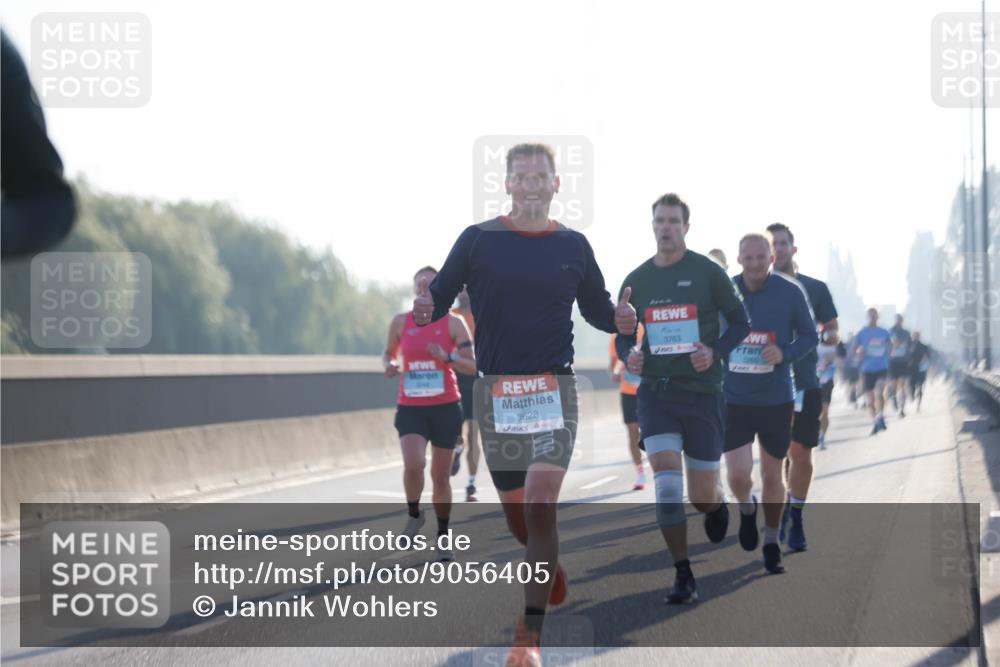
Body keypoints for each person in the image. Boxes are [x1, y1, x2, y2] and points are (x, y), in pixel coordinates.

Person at [412, 143, 636, 667]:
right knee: (520, 520)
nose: (532, 183)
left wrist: (623, 318)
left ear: (557, 185)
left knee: (540, 504)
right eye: (522, 176)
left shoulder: (574, 245)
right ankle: (547, 563)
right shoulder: (477, 240)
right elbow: (439, 298)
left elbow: (599, 309)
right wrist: (426, 310)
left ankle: (527, 638)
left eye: (542, 176)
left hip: (555, 389)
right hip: (497, 395)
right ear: (507, 184)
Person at [616, 193, 750, 604]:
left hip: (703, 394)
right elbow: (622, 337)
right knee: (668, 487)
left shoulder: (709, 273)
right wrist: (630, 354)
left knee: (700, 496)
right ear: (652, 226)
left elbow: (741, 324)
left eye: (673, 221)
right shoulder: (636, 279)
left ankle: (717, 504)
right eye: (660, 221)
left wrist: (714, 352)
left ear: (686, 227)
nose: (666, 227)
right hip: (656, 394)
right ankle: (682, 572)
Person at [723, 234, 817, 574]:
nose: (754, 264)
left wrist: (784, 354)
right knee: (736, 474)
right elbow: (708, 333)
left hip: (776, 397)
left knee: (771, 473)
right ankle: (747, 509)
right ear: (738, 259)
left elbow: (810, 335)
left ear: (772, 257)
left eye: (761, 257)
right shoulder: (725, 291)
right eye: (747, 258)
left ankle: (772, 540)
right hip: (734, 397)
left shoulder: (790, 291)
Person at [384, 266, 476, 562]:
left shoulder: (453, 323)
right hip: (411, 407)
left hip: (445, 407)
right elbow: (388, 353)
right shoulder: (400, 322)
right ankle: (414, 515)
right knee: (413, 465)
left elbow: (472, 365)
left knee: (440, 477)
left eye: (431, 285)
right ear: (414, 290)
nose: (424, 288)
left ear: (440, 290)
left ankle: (444, 535)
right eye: (419, 284)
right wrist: (389, 364)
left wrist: (446, 357)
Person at [766, 223, 838, 553]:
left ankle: (796, 516)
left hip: (805, 382)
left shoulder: (815, 288)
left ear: (793, 249)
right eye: (773, 244)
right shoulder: (753, 289)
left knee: (800, 454)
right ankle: (779, 511)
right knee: (776, 454)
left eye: (783, 243)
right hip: (765, 385)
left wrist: (827, 337)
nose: (778, 249)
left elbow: (832, 328)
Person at [451, 287, 480, 501]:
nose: (464, 296)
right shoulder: (452, 316)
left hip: (478, 379)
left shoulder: (483, 314)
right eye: (461, 292)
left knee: (474, 434)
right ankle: (457, 447)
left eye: (468, 292)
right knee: (455, 432)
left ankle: (471, 483)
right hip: (455, 379)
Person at [609, 325, 646, 490]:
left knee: (653, 431)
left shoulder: (647, 328)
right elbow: (613, 364)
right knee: (633, 431)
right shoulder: (617, 335)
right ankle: (640, 474)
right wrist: (615, 373)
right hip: (628, 391)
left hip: (649, 389)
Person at [851, 307, 893, 435]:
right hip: (867, 368)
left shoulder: (884, 332)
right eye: (870, 316)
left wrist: (887, 355)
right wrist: (860, 352)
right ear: (867, 317)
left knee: (879, 391)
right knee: (870, 399)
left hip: (882, 367)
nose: (873, 318)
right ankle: (876, 421)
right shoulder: (862, 333)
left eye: (875, 316)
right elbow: (854, 349)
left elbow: (890, 346)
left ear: (878, 317)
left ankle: (880, 415)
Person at [816, 339, 839, 449]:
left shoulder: (835, 346)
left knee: (825, 411)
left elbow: (840, 358)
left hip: (827, 382)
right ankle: (815, 433)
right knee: (814, 412)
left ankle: (822, 436)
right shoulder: (812, 345)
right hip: (813, 383)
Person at [888, 314, 912, 418]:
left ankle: (902, 409)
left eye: (900, 320)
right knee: (895, 385)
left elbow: (910, 346)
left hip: (903, 362)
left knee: (903, 385)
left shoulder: (906, 333)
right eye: (898, 320)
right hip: (893, 362)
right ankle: (893, 396)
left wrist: (908, 351)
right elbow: (891, 341)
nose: (899, 322)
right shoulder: (891, 331)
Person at [908, 331, 933, 411]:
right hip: (911, 368)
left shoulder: (923, 346)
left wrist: (925, 359)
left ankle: (919, 404)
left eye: (917, 336)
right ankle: (912, 395)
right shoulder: (909, 345)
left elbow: (928, 356)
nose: (915, 337)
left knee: (920, 387)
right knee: (912, 385)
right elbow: (905, 355)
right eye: (914, 336)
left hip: (921, 368)